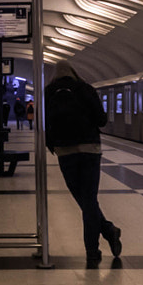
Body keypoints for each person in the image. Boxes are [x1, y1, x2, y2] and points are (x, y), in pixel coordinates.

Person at [43, 62, 122, 267]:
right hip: (90, 150)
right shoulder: (86, 89)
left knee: (84, 200)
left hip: (65, 151)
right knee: (89, 199)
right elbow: (102, 120)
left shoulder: (48, 92)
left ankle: (105, 235)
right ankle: (95, 247)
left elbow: (44, 123)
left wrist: (52, 143)